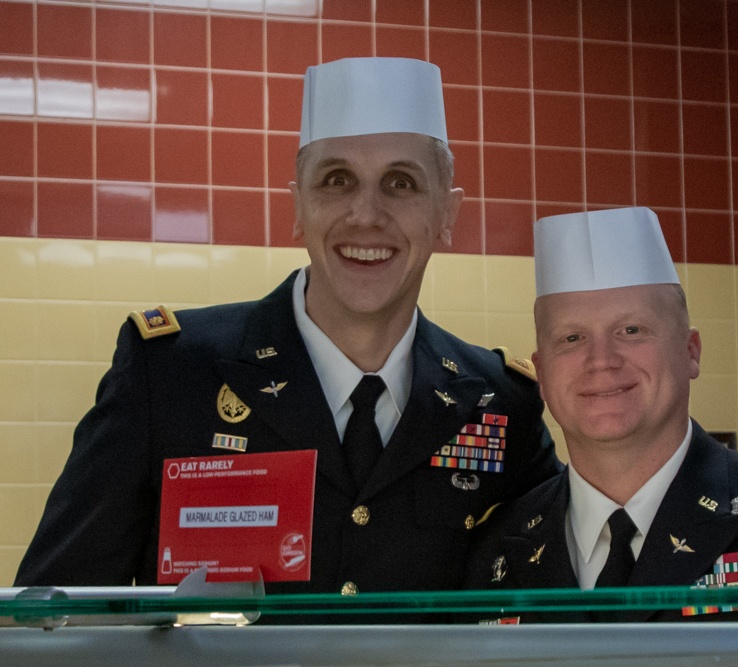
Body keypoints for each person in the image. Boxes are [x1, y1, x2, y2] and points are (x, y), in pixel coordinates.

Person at [16, 57, 561, 601]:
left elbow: (565, 584)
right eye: (336, 179)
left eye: (401, 182)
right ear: (298, 204)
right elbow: (56, 613)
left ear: (447, 214)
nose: (366, 214)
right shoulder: (169, 374)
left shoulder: (498, 403)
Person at [463, 207, 738, 622]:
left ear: (690, 351)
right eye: (572, 338)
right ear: (542, 373)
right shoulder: (489, 548)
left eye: (631, 330)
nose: (601, 360)